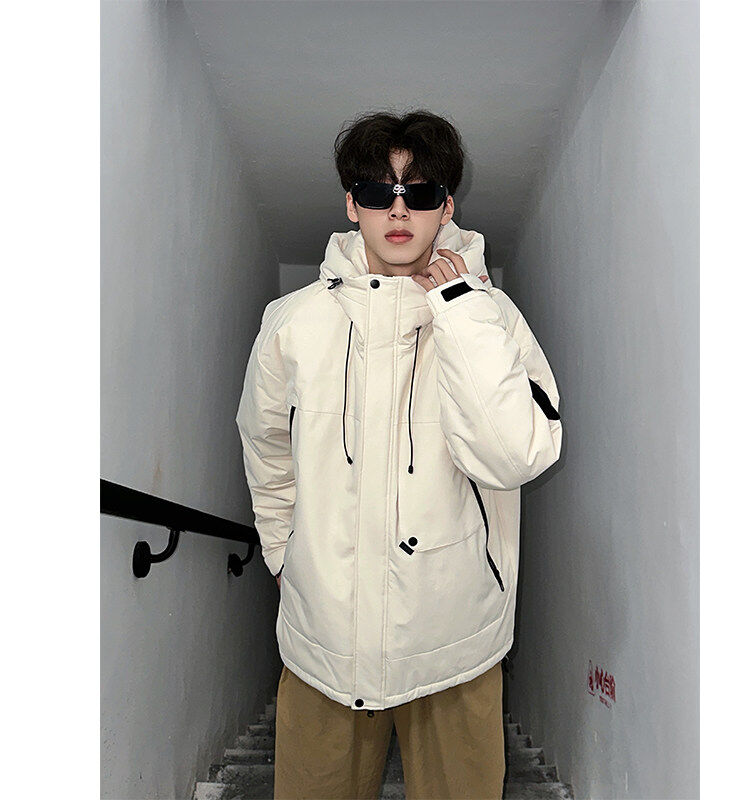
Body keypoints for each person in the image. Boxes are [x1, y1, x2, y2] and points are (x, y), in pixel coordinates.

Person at [235, 109, 563, 799]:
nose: (398, 210)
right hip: (325, 641)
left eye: (419, 192)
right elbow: (266, 448)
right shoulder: (291, 322)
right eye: (378, 191)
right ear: (351, 204)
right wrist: (282, 553)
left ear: (447, 206)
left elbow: (517, 454)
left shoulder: (493, 317)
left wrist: (459, 304)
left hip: (456, 639)